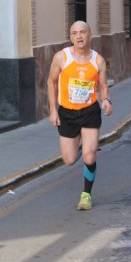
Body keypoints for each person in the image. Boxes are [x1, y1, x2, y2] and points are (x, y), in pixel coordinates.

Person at [47, 21, 112, 210]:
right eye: (74, 33)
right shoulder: (61, 58)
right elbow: (51, 83)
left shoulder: (97, 60)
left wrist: (106, 100)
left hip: (90, 111)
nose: (79, 36)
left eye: (83, 32)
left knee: (89, 157)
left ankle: (86, 195)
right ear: (70, 37)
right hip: (67, 113)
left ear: (90, 35)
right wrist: (53, 110)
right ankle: (84, 144)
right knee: (68, 160)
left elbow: (103, 85)